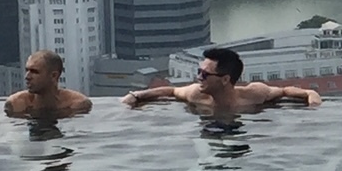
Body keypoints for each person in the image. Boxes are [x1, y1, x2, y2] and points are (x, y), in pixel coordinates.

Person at [122, 47, 321, 114]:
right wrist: (136, 96)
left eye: (205, 74)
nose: (199, 77)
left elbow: (285, 91)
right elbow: (171, 91)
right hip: (209, 129)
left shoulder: (254, 94)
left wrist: (312, 97)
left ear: (225, 79)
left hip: (241, 129)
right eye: (199, 72)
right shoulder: (196, 94)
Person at [4, 50, 92, 118]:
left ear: (54, 76)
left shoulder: (77, 104)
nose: (27, 76)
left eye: (34, 72)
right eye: (27, 70)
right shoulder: (17, 104)